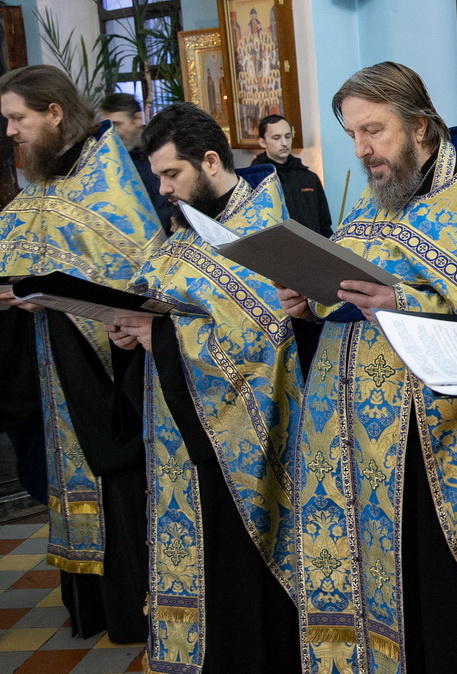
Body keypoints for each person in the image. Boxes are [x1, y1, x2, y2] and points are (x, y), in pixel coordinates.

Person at [274, 62, 457, 672]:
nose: (361, 149)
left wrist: (405, 302)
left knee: (438, 602)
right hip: (360, 448)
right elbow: (353, 281)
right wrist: (310, 300)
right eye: (352, 134)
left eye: (373, 130)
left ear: (420, 127)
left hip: (440, 448)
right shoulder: (386, 193)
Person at [107, 102, 302, 672]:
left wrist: (163, 338)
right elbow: (160, 300)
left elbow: (265, 340)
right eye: (159, 175)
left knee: (238, 583)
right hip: (177, 438)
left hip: (242, 447)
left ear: (211, 161)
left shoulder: (265, 231)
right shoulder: (186, 228)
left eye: (172, 174)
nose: (163, 189)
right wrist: (129, 332)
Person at [0, 65, 163, 641]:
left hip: (105, 367)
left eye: (18, 118)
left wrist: (44, 287)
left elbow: (131, 269)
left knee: (115, 479)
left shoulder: (106, 178)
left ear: (53, 112)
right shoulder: (47, 179)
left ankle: (132, 607)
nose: (11, 131)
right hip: (54, 359)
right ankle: (89, 604)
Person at [98, 92, 175, 231]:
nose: (111, 132)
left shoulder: (166, 149)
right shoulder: (106, 163)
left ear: (138, 119)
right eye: (107, 126)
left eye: (117, 124)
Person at [250, 114, 333, 237]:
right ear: (262, 142)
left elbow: (324, 225)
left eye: (288, 136)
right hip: (276, 246)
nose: (284, 143)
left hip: (311, 246)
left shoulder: (309, 178)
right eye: (276, 138)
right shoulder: (254, 181)